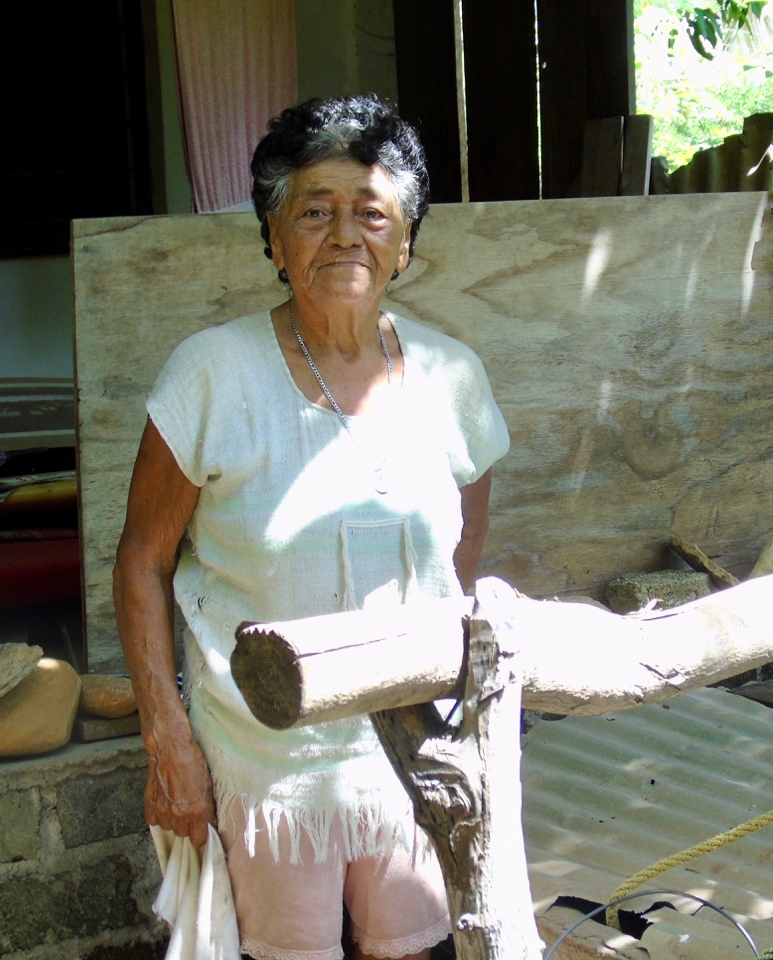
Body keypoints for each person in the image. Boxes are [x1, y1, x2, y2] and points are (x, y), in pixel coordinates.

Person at [114, 95, 510, 960]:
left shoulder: (451, 376)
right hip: (264, 765)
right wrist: (167, 742)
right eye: (314, 211)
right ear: (274, 234)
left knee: (417, 949)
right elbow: (141, 563)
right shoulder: (212, 374)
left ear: (405, 243)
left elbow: (461, 555)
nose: (344, 237)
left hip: (406, 755)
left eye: (371, 214)